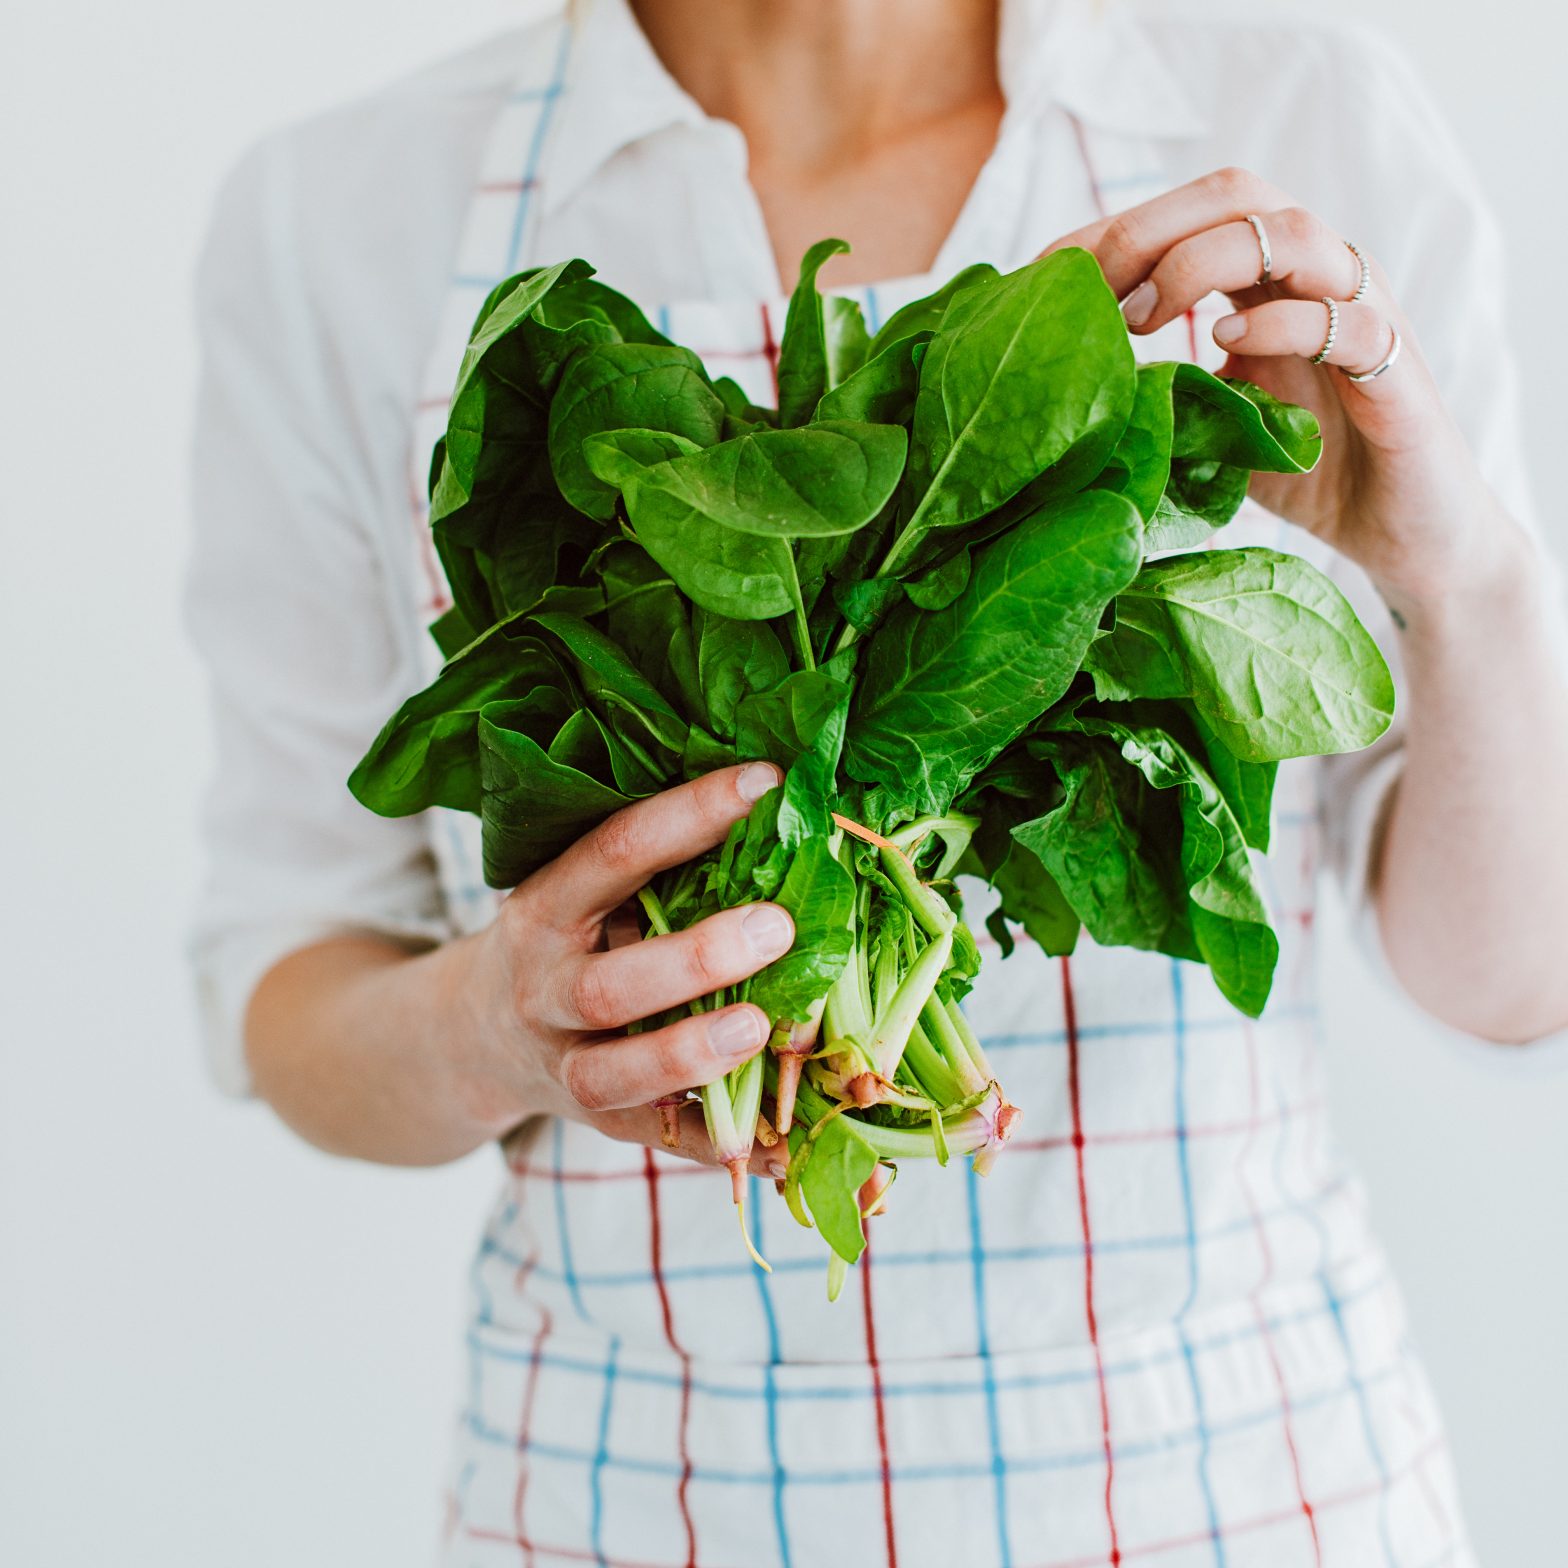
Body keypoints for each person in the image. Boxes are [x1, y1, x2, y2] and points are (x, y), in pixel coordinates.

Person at [187, 0, 1568, 1561]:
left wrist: (1465, 580)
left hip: (1240, 1481)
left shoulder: (1295, 111)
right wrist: (500, 1032)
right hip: (631, 1499)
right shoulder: (338, 215)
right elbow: (289, 970)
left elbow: (1513, 979)